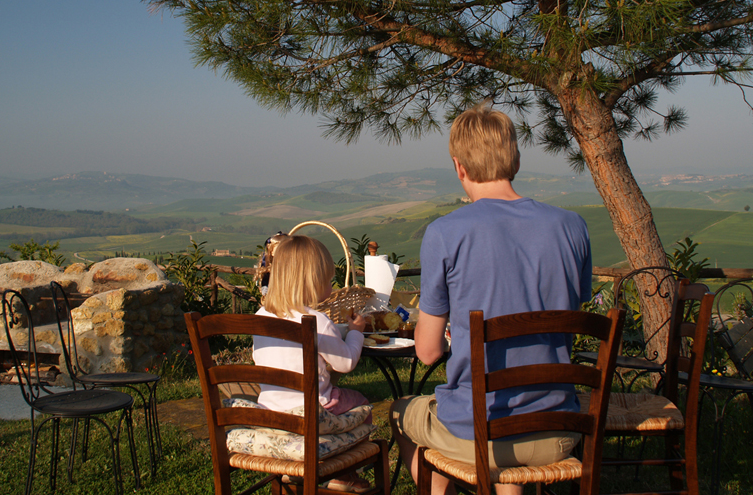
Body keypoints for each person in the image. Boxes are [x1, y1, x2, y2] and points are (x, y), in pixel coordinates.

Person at [390, 105, 593, 495]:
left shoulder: (445, 232)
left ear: (459, 166)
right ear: (515, 158)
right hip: (560, 429)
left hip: (481, 432)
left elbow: (428, 352)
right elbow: (566, 319)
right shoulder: (572, 226)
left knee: (401, 413)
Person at [253, 234, 372, 493]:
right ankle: (342, 472)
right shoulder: (316, 320)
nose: (331, 286)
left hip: (271, 414)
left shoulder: (261, 316)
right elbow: (346, 362)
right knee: (361, 404)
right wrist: (356, 332)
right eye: (328, 280)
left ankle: (294, 472)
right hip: (313, 414)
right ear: (311, 282)